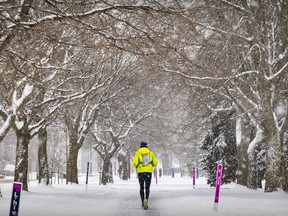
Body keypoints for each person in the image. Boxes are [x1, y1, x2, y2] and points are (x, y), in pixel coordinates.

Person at [133, 141, 158, 210]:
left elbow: (135, 163)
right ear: (146, 146)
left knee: (141, 187)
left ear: (140, 146)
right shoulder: (150, 153)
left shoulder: (137, 153)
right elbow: (155, 163)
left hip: (141, 172)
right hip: (148, 172)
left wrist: (139, 165)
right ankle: (146, 199)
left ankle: (142, 202)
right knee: (147, 187)